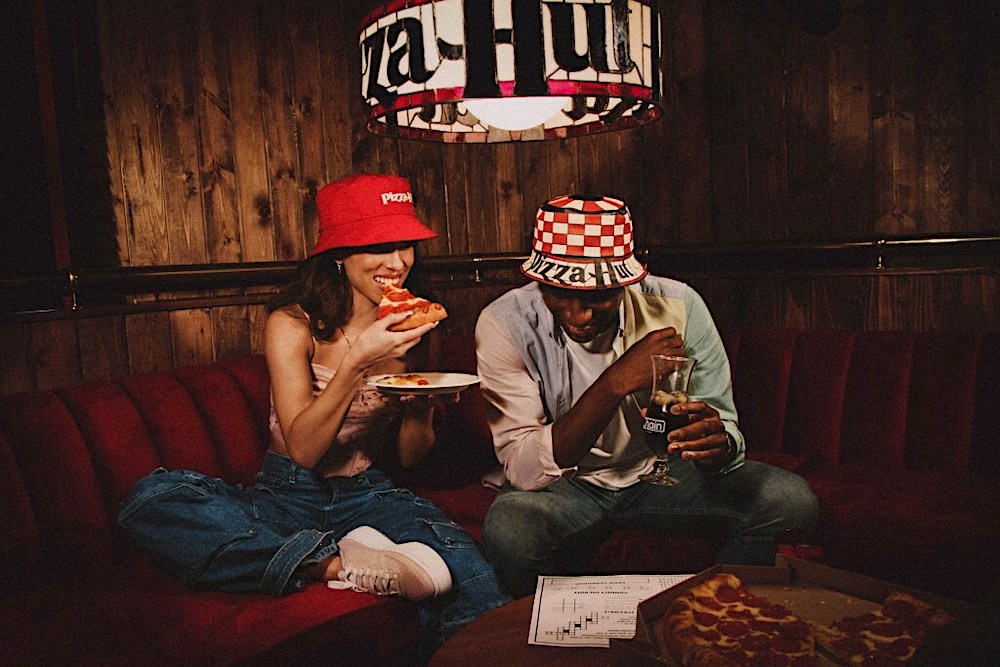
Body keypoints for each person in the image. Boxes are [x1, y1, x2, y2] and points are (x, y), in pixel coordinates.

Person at [119, 173, 508, 660]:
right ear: (339, 255)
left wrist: (422, 408)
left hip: (370, 492)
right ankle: (329, 564)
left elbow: (410, 458)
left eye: (405, 244)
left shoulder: (416, 326)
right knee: (151, 499)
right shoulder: (292, 324)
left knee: (470, 577)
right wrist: (358, 362)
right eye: (377, 246)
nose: (397, 262)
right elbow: (303, 449)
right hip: (287, 492)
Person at [476, 193, 820, 598]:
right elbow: (523, 469)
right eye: (558, 294)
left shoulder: (679, 305)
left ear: (628, 281)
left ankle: (710, 613)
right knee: (510, 528)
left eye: (596, 296)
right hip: (565, 486)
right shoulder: (505, 323)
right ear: (539, 283)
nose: (577, 314)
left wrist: (719, 443)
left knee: (791, 501)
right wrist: (614, 382)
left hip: (662, 473)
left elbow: (724, 423)